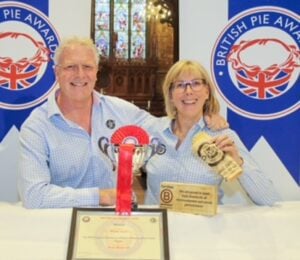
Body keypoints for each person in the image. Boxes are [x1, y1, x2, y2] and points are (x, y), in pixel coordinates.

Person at [18, 37, 227, 208]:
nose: (80, 75)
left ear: (96, 73)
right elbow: (34, 195)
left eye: (87, 67)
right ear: (57, 73)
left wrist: (204, 116)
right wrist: (101, 196)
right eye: (71, 67)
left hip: (113, 224)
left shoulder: (119, 110)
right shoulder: (37, 126)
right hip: (59, 228)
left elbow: (167, 127)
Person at [143, 60, 280, 206]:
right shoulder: (152, 130)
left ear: (207, 92)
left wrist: (238, 163)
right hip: (158, 226)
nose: (188, 91)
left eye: (196, 83)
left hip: (203, 227)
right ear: (170, 95)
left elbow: (269, 199)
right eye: (180, 85)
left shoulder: (222, 136)